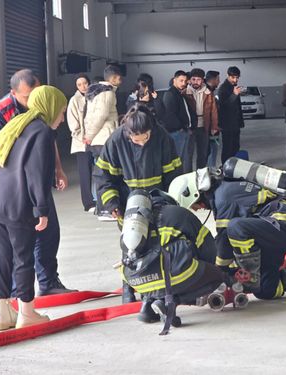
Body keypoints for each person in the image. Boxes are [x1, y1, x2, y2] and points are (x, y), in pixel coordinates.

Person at [168, 166, 286, 301]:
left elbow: (224, 240)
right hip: (267, 234)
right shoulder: (222, 191)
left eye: (193, 206)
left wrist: (217, 272)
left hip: (281, 223)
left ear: (195, 194)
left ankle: (251, 274)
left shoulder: (223, 197)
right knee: (266, 290)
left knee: (235, 227)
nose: (197, 209)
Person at [0, 85, 67, 330]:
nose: (62, 119)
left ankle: (3, 314)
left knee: (1, 258)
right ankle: (27, 312)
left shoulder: (16, 123)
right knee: (23, 256)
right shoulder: (42, 131)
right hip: (16, 203)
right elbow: (36, 173)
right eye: (61, 112)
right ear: (49, 107)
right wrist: (42, 209)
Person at [95, 104, 182, 303]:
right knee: (131, 245)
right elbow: (103, 176)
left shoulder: (162, 137)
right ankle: (128, 286)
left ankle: (158, 285)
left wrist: (173, 200)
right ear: (128, 134)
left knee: (158, 242)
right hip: (127, 202)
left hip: (158, 198)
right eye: (137, 140)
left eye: (146, 138)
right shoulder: (116, 140)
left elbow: (174, 171)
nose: (142, 143)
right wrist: (112, 203)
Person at [118, 189, 225, 326]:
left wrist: (128, 295)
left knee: (156, 275)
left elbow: (126, 259)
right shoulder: (177, 213)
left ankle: (147, 306)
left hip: (137, 281)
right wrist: (205, 266)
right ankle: (172, 302)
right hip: (172, 276)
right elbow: (209, 250)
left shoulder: (133, 226)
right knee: (217, 278)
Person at [83, 65, 123, 221]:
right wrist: (90, 136)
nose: (121, 80)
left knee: (101, 174)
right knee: (106, 175)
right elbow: (101, 116)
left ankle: (102, 208)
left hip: (98, 139)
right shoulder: (107, 93)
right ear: (112, 78)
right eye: (119, 77)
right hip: (104, 139)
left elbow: (89, 116)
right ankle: (106, 210)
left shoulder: (96, 92)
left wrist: (89, 135)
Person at [66, 74, 95, 212]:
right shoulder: (74, 100)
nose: (83, 86)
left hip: (96, 141)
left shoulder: (95, 98)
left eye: (85, 83)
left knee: (98, 171)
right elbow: (73, 125)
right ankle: (88, 203)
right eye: (79, 84)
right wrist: (83, 137)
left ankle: (98, 199)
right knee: (85, 173)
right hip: (81, 143)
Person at [185, 68, 219, 171]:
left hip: (204, 127)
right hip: (190, 128)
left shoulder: (208, 93)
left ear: (203, 80)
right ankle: (189, 176)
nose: (196, 82)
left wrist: (214, 127)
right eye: (193, 79)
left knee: (203, 153)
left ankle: (201, 176)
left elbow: (213, 111)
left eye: (198, 79)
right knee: (188, 154)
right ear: (190, 80)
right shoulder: (185, 92)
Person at [163, 70, 195, 166]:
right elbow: (170, 115)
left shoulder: (179, 93)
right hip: (177, 132)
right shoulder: (170, 94)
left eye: (185, 81)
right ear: (174, 80)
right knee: (178, 160)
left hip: (183, 131)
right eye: (181, 81)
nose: (183, 83)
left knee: (184, 158)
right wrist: (181, 128)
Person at [217, 66, 245, 163]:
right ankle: (226, 168)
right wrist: (234, 95)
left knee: (235, 147)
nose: (235, 80)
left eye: (237, 77)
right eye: (233, 77)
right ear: (228, 76)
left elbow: (237, 107)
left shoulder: (234, 87)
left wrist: (240, 122)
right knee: (227, 148)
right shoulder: (223, 88)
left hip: (235, 124)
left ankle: (234, 168)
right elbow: (223, 106)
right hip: (227, 124)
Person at [205, 70, 221, 169]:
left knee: (212, 151)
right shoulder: (206, 92)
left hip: (212, 128)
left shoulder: (209, 91)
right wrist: (213, 127)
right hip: (209, 130)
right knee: (211, 151)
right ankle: (210, 173)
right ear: (214, 80)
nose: (219, 82)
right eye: (218, 79)